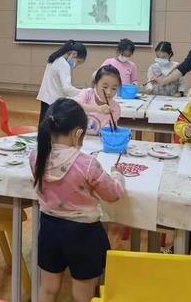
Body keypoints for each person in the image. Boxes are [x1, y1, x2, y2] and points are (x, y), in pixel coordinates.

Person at [30, 98, 124, 302]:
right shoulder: (87, 164)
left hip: (49, 228)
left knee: (47, 288)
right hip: (83, 234)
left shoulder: (36, 155)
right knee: (82, 294)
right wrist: (118, 175)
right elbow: (113, 194)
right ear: (78, 133)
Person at [37, 40, 87, 123]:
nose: (76, 65)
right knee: (50, 127)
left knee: (44, 125)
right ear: (74, 54)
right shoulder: (64, 65)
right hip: (53, 102)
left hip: (46, 99)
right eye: (78, 61)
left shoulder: (54, 59)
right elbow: (67, 89)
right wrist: (84, 92)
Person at [75, 65, 121, 135]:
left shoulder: (115, 107)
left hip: (99, 140)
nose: (109, 92)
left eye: (114, 88)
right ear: (95, 84)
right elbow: (75, 107)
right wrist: (98, 109)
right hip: (79, 138)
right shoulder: (87, 94)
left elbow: (112, 130)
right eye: (105, 87)